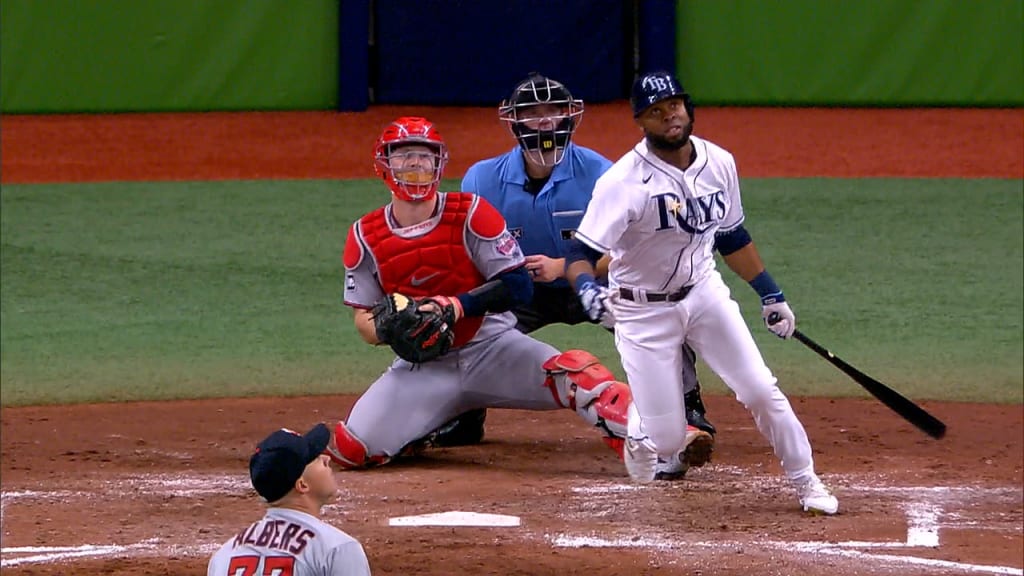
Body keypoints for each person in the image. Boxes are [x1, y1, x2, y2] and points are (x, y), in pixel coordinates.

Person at [324, 116, 710, 477]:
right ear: (384, 165)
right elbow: (364, 322)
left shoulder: (471, 212)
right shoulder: (365, 237)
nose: (415, 167)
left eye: (424, 158)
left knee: (576, 375)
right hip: (425, 368)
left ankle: (669, 438)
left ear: (439, 164)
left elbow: (518, 285)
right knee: (352, 448)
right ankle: (420, 428)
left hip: (491, 347)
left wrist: (456, 307)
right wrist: (393, 325)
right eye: (404, 157)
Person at [563, 71, 839, 515]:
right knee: (670, 440)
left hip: (704, 293)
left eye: (673, 104)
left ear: (687, 107)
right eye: (655, 110)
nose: (668, 115)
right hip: (641, 311)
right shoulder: (622, 183)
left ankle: (807, 483)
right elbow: (580, 250)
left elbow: (731, 235)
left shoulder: (719, 162)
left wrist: (770, 294)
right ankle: (639, 427)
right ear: (641, 121)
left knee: (760, 389)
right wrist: (586, 288)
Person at [427, 73, 717, 455]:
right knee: (468, 320)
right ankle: (465, 412)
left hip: (597, 286)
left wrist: (563, 268)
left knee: (657, 313)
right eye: (534, 113)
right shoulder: (482, 179)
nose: (545, 121)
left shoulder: (604, 175)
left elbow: (636, 252)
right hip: (523, 293)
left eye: (554, 111)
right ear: (514, 120)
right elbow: (470, 254)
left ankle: (687, 404)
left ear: (570, 117)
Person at [207, 423, 372, 575]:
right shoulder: (337, 549)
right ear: (302, 485)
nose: (326, 459)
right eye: (315, 458)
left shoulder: (223, 557)